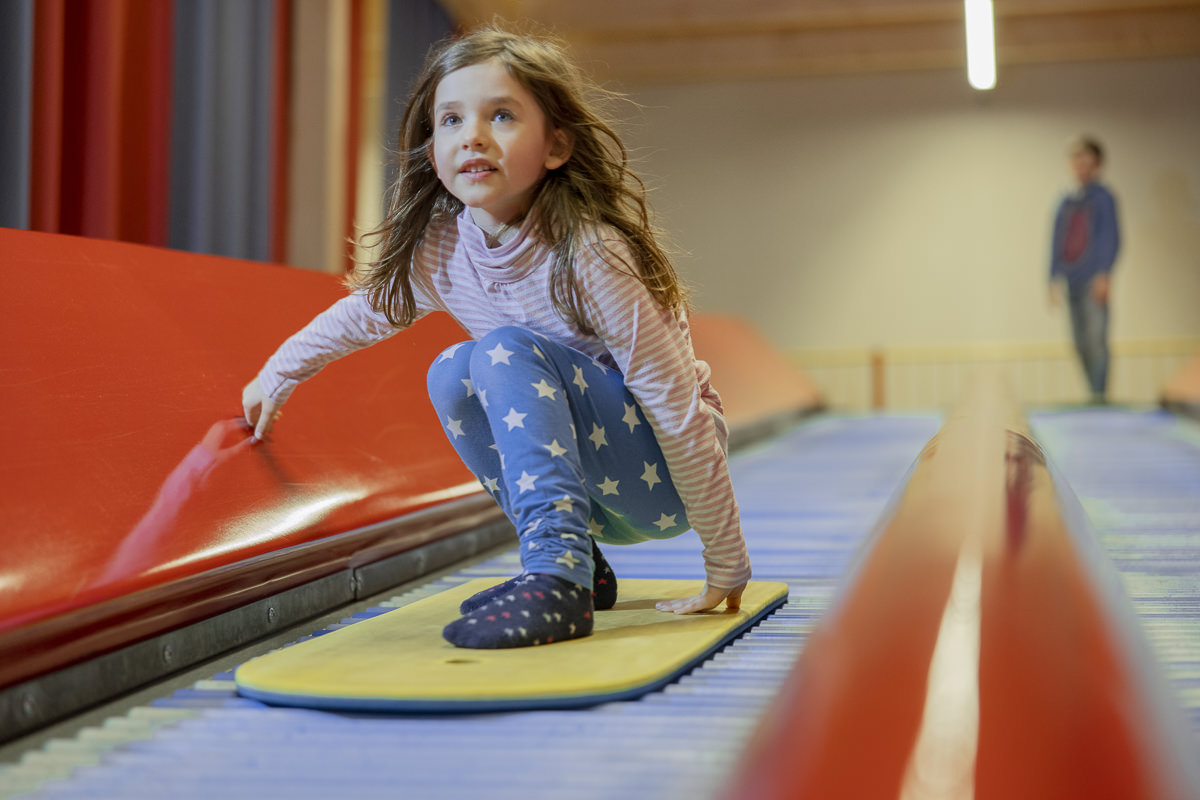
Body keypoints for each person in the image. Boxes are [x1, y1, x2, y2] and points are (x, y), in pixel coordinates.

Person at [240, 28, 750, 650]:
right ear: (432, 149)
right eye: (450, 120)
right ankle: (577, 569)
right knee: (451, 370)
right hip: (595, 490)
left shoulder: (589, 252)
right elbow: (367, 312)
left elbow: (673, 401)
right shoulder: (444, 247)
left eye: (501, 115)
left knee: (503, 347)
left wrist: (725, 559)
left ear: (556, 144)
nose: (472, 136)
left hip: (655, 478)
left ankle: (555, 577)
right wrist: (279, 373)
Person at [1049, 135, 1121, 404]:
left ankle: (1098, 397)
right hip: (1072, 280)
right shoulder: (1067, 202)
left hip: (1094, 279)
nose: (1082, 167)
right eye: (1077, 161)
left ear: (1098, 165)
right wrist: (1052, 277)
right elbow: (1057, 239)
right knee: (1079, 343)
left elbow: (1110, 236)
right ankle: (1093, 392)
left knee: (1096, 341)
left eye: (1088, 162)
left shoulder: (1104, 198)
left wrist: (1104, 273)